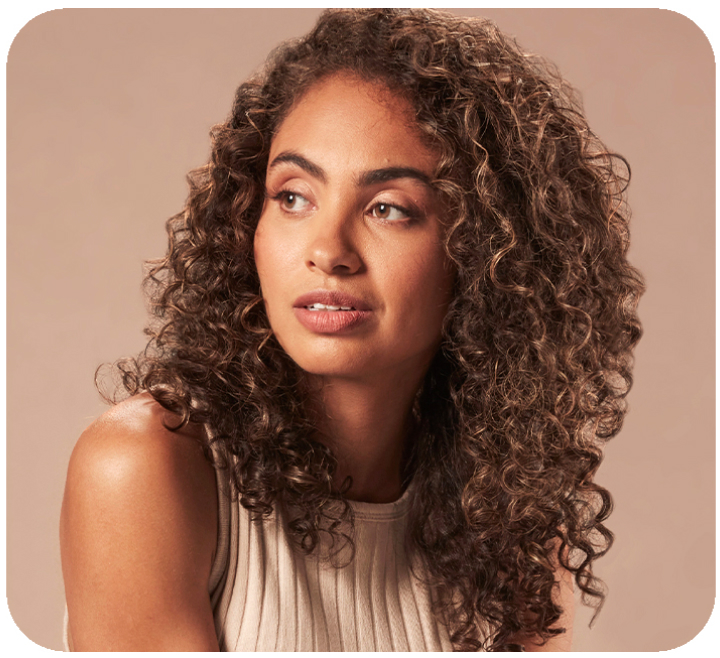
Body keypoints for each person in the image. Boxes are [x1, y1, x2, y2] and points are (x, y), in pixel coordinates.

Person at [59, 8, 644, 652]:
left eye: (388, 208)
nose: (327, 249)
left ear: (487, 256)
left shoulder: (510, 516)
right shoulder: (149, 468)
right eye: (293, 196)